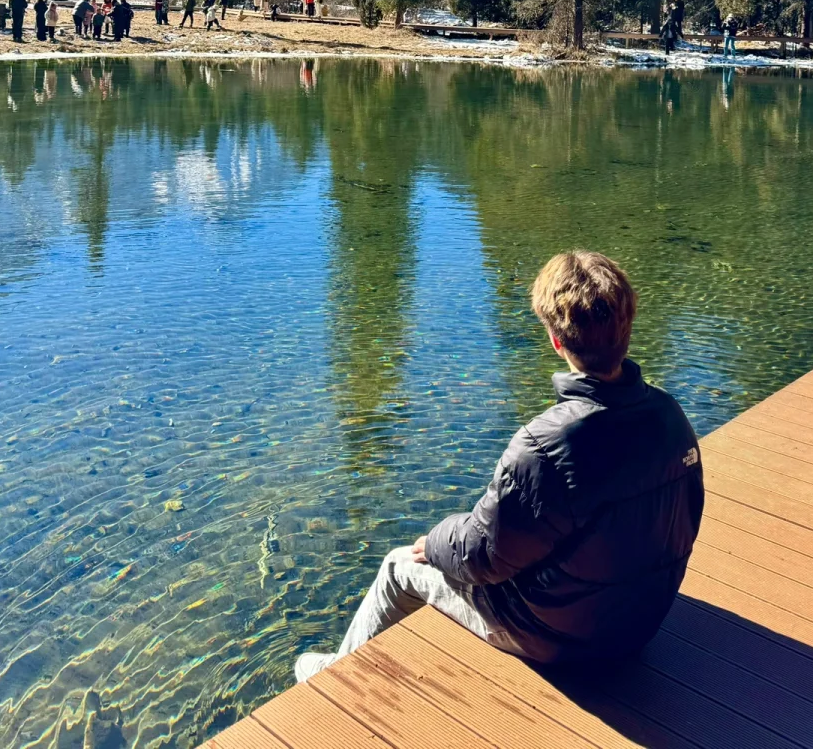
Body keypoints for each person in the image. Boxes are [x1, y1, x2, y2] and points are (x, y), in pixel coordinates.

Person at [293, 250, 703, 683]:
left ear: (556, 340)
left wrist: (434, 542)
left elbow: (482, 557)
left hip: (563, 639)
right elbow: (686, 514)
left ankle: (333, 676)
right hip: (641, 623)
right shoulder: (670, 415)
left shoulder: (544, 445)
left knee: (399, 566)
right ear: (627, 327)